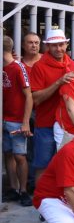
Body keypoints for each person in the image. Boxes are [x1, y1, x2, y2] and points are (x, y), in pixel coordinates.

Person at [30, 29, 74, 181]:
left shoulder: (71, 63)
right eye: (54, 45)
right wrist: (58, 82)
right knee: (43, 166)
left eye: (61, 44)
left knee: (67, 166)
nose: (59, 49)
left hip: (67, 125)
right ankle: (41, 202)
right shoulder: (39, 66)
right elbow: (35, 99)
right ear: (47, 47)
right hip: (46, 124)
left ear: (66, 44)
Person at [3, 35, 34, 206]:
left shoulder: (17, 67)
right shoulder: (5, 67)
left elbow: (28, 95)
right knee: (8, 154)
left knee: (20, 155)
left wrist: (25, 121)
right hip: (4, 118)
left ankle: (23, 190)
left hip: (16, 119)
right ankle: (14, 188)